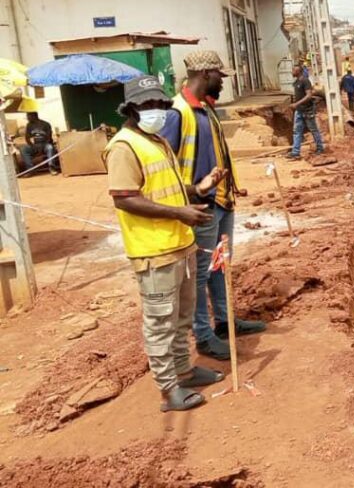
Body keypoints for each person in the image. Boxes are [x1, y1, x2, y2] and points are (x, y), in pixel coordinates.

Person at [104, 75, 227, 412]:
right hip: (153, 251)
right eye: (148, 104)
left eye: (160, 103)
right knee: (160, 323)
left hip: (179, 244)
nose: (156, 109)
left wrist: (199, 189)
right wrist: (179, 213)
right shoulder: (123, 147)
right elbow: (125, 198)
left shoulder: (156, 140)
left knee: (182, 317)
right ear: (131, 109)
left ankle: (184, 370)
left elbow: (168, 186)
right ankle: (168, 389)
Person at [162, 51, 266, 361]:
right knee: (200, 273)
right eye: (220, 76)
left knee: (220, 266)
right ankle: (203, 335)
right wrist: (189, 195)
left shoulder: (205, 109)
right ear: (205, 74)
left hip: (221, 200)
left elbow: (216, 153)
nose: (222, 82)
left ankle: (224, 321)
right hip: (199, 206)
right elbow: (165, 167)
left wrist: (231, 185)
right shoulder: (178, 113)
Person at [287, 64, 325, 159]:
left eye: (293, 70)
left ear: (298, 71)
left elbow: (309, 95)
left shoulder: (305, 81)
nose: (291, 72)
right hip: (299, 111)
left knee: (313, 130)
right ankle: (295, 152)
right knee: (297, 131)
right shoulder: (296, 82)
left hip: (308, 111)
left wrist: (296, 104)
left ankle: (320, 148)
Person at [18, 104, 58, 175]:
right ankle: (31, 169)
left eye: (28, 116)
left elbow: (49, 137)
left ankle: (52, 168)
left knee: (50, 148)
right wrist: (32, 145)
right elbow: (27, 138)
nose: (27, 118)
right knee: (23, 149)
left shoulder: (45, 124)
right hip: (35, 145)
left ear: (34, 116)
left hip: (45, 144)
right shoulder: (29, 125)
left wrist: (42, 147)